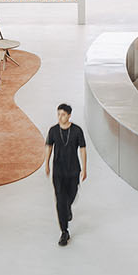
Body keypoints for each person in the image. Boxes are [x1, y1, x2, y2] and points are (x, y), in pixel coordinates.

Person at [44, 103, 87, 246]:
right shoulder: (53, 131)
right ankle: (64, 231)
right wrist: (46, 164)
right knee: (60, 200)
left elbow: (82, 149)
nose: (60, 117)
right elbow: (49, 146)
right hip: (58, 172)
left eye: (62, 114)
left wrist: (85, 168)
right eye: (58, 114)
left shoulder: (77, 131)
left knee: (71, 195)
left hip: (74, 170)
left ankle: (68, 207)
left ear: (69, 115)